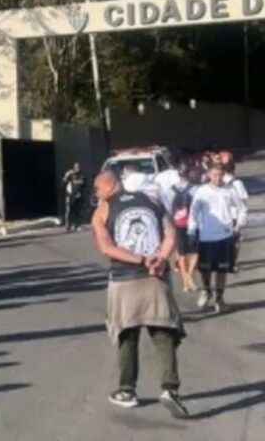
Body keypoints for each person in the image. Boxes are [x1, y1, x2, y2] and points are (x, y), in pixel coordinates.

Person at [90, 170, 187, 418]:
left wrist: (141, 259)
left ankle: (127, 390)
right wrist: (160, 258)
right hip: (156, 277)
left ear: (107, 187)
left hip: (125, 280)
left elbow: (106, 247)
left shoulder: (102, 210)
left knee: (127, 333)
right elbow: (171, 233)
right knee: (163, 332)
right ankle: (170, 389)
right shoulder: (151, 201)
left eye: (97, 190)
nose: (96, 194)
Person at [189, 163, 245, 313]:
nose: (218, 178)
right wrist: (191, 229)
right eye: (214, 175)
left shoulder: (230, 189)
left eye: (220, 175)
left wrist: (238, 226)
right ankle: (207, 291)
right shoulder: (202, 191)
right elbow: (193, 211)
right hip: (206, 236)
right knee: (206, 269)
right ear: (209, 175)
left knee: (222, 269)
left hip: (224, 235)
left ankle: (219, 299)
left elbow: (241, 209)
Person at [169, 164, 199, 293]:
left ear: (178, 174)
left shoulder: (170, 189)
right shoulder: (195, 189)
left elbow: (167, 207)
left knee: (181, 254)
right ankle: (190, 275)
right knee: (196, 251)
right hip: (193, 223)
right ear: (189, 173)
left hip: (177, 224)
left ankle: (185, 281)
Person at [222, 158, 248, 272]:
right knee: (235, 240)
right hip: (234, 215)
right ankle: (233, 262)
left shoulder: (218, 181)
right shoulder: (237, 183)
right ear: (233, 169)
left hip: (222, 215)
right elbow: (243, 199)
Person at [62, 162, 87, 232]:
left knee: (78, 211)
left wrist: (81, 193)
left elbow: (84, 184)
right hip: (70, 195)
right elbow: (63, 182)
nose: (78, 168)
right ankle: (68, 225)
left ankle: (77, 225)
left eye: (79, 167)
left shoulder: (82, 175)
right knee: (69, 210)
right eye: (76, 167)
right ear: (73, 168)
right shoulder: (70, 174)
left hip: (79, 195)